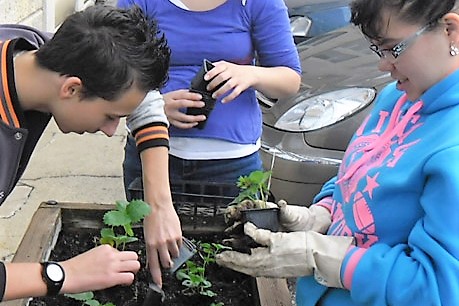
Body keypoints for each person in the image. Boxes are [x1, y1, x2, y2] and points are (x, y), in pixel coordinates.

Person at [216, 0, 459, 305]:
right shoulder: (396, 98)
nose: (383, 65)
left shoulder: (452, 143)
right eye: (376, 49)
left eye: (393, 48)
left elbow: (437, 289)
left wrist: (322, 257)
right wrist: (319, 216)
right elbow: (354, 175)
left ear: (451, 30)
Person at [0, 4, 175, 301]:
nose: (111, 131)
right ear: (71, 89)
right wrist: (64, 274)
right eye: (110, 116)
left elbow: (140, 95)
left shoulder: (37, 50)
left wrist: (158, 204)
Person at [118, 0, 301, 200]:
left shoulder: (260, 3)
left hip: (231, 163)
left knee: (236, 231)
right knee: (145, 230)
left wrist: (250, 74)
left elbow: (290, 79)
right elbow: (118, 72)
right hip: (151, 152)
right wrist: (151, 107)